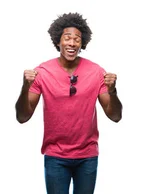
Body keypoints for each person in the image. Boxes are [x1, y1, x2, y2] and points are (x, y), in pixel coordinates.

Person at [15, 12, 123, 194]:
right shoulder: (42, 72)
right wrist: (25, 87)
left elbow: (115, 116)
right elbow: (22, 117)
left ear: (83, 43)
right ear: (58, 41)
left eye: (77, 39)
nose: (72, 43)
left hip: (87, 156)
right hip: (55, 156)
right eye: (67, 38)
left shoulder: (96, 72)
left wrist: (112, 91)